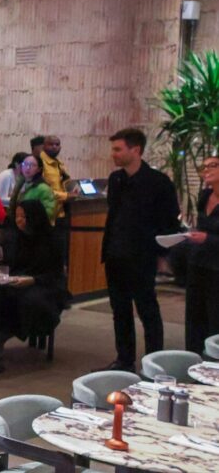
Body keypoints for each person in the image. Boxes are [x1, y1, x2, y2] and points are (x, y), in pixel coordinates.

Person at [98, 128, 180, 372]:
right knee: (120, 310)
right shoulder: (116, 179)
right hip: (115, 255)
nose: (113, 154)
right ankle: (124, 359)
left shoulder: (158, 182)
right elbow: (114, 216)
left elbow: (169, 222)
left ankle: (154, 362)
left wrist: (161, 255)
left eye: (118, 149)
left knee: (147, 310)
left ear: (135, 150)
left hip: (142, 256)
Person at [0, 200, 70, 376]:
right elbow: (1, 262)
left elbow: (55, 274)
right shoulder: (13, 237)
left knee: (26, 301)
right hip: (15, 282)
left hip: (44, 286)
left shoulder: (51, 240)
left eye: (23, 217)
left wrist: (32, 280)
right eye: (17, 216)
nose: (19, 220)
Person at [175, 155, 219, 355]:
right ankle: (194, 360)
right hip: (198, 264)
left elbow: (208, 235)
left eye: (213, 165)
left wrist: (207, 239)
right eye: (204, 166)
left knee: (214, 319)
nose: (206, 170)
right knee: (195, 317)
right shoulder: (205, 195)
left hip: (216, 267)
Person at [9, 154, 58, 227]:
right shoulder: (21, 184)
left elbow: (49, 213)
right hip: (19, 227)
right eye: (25, 164)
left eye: (32, 165)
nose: (28, 168)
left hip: (36, 229)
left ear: (39, 169)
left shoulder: (43, 188)